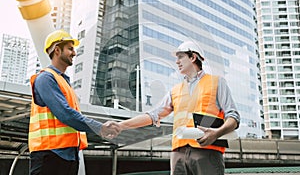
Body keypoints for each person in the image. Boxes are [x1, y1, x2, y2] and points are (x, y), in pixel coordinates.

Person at [118, 41, 240, 175]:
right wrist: (121, 125)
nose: (177, 62)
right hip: (178, 154)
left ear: (193, 57)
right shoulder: (175, 90)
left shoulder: (216, 82)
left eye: (180, 57)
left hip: (207, 152)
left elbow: (233, 117)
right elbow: (153, 115)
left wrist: (216, 133)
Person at [28, 30, 121, 175]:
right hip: (49, 155)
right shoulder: (46, 78)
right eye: (70, 48)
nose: (74, 53)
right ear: (57, 50)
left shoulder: (64, 82)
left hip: (68, 155)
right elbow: (66, 114)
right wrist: (100, 128)